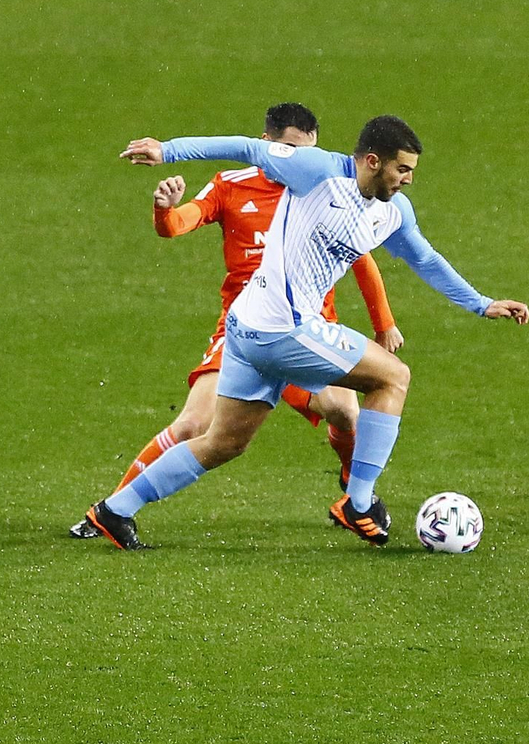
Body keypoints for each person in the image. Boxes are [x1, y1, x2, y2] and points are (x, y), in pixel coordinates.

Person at [82, 115, 529, 550]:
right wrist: (168, 151)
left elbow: (425, 259)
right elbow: (247, 147)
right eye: (402, 169)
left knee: (223, 442)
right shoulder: (316, 170)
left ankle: (115, 510)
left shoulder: (393, 212)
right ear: (373, 161)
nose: (408, 179)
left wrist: (481, 303)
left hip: (247, 326)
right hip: (284, 330)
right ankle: (358, 503)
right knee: (393, 378)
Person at [69, 103, 404, 540]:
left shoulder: (325, 187)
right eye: (290, 149)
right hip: (245, 328)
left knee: (344, 410)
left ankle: (353, 491)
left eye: (308, 150)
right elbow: (177, 225)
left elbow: (361, 259)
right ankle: (111, 509)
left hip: (310, 329)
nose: (299, 160)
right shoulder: (231, 186)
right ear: (268, 144)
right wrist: (164, 209)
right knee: (196, 425)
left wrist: (384, 323)